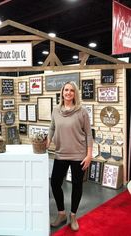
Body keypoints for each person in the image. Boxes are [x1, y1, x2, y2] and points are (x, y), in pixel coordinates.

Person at [46, 81, 93, 231]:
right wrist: (46, 143)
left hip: (78, 155)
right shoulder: (55, 110)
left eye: (71, 90)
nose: (68, 93)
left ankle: (73, 215)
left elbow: (88, 134)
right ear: (62, 92)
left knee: (77, 186)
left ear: (75, 93)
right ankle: (61, 214)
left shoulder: (82, 111)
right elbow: (52, 128)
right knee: (54, 183)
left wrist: (89, 155)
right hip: (60, 153)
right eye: (66, 90)